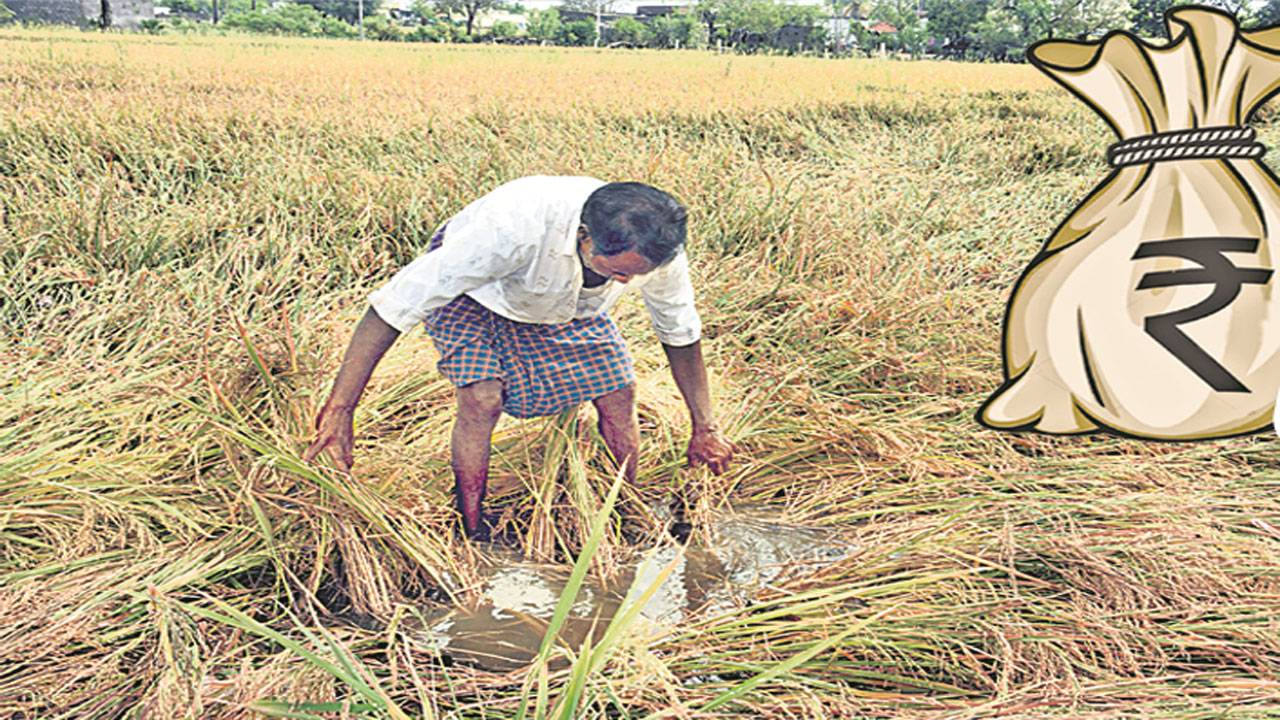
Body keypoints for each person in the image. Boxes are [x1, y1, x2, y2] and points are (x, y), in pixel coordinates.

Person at [304, 175, 737, 541]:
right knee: (482, 398)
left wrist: (705, 427)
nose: (628, 282)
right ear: (585, 237)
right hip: (476, 294)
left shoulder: (656, 253)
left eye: (636, 275)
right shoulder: (509, 229)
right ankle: (471, 529)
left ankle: (623, 516)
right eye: (618, 271)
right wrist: (342, 409)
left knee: (619, 391)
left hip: (563, 301)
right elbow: (394, 306)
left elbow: (679, 331)